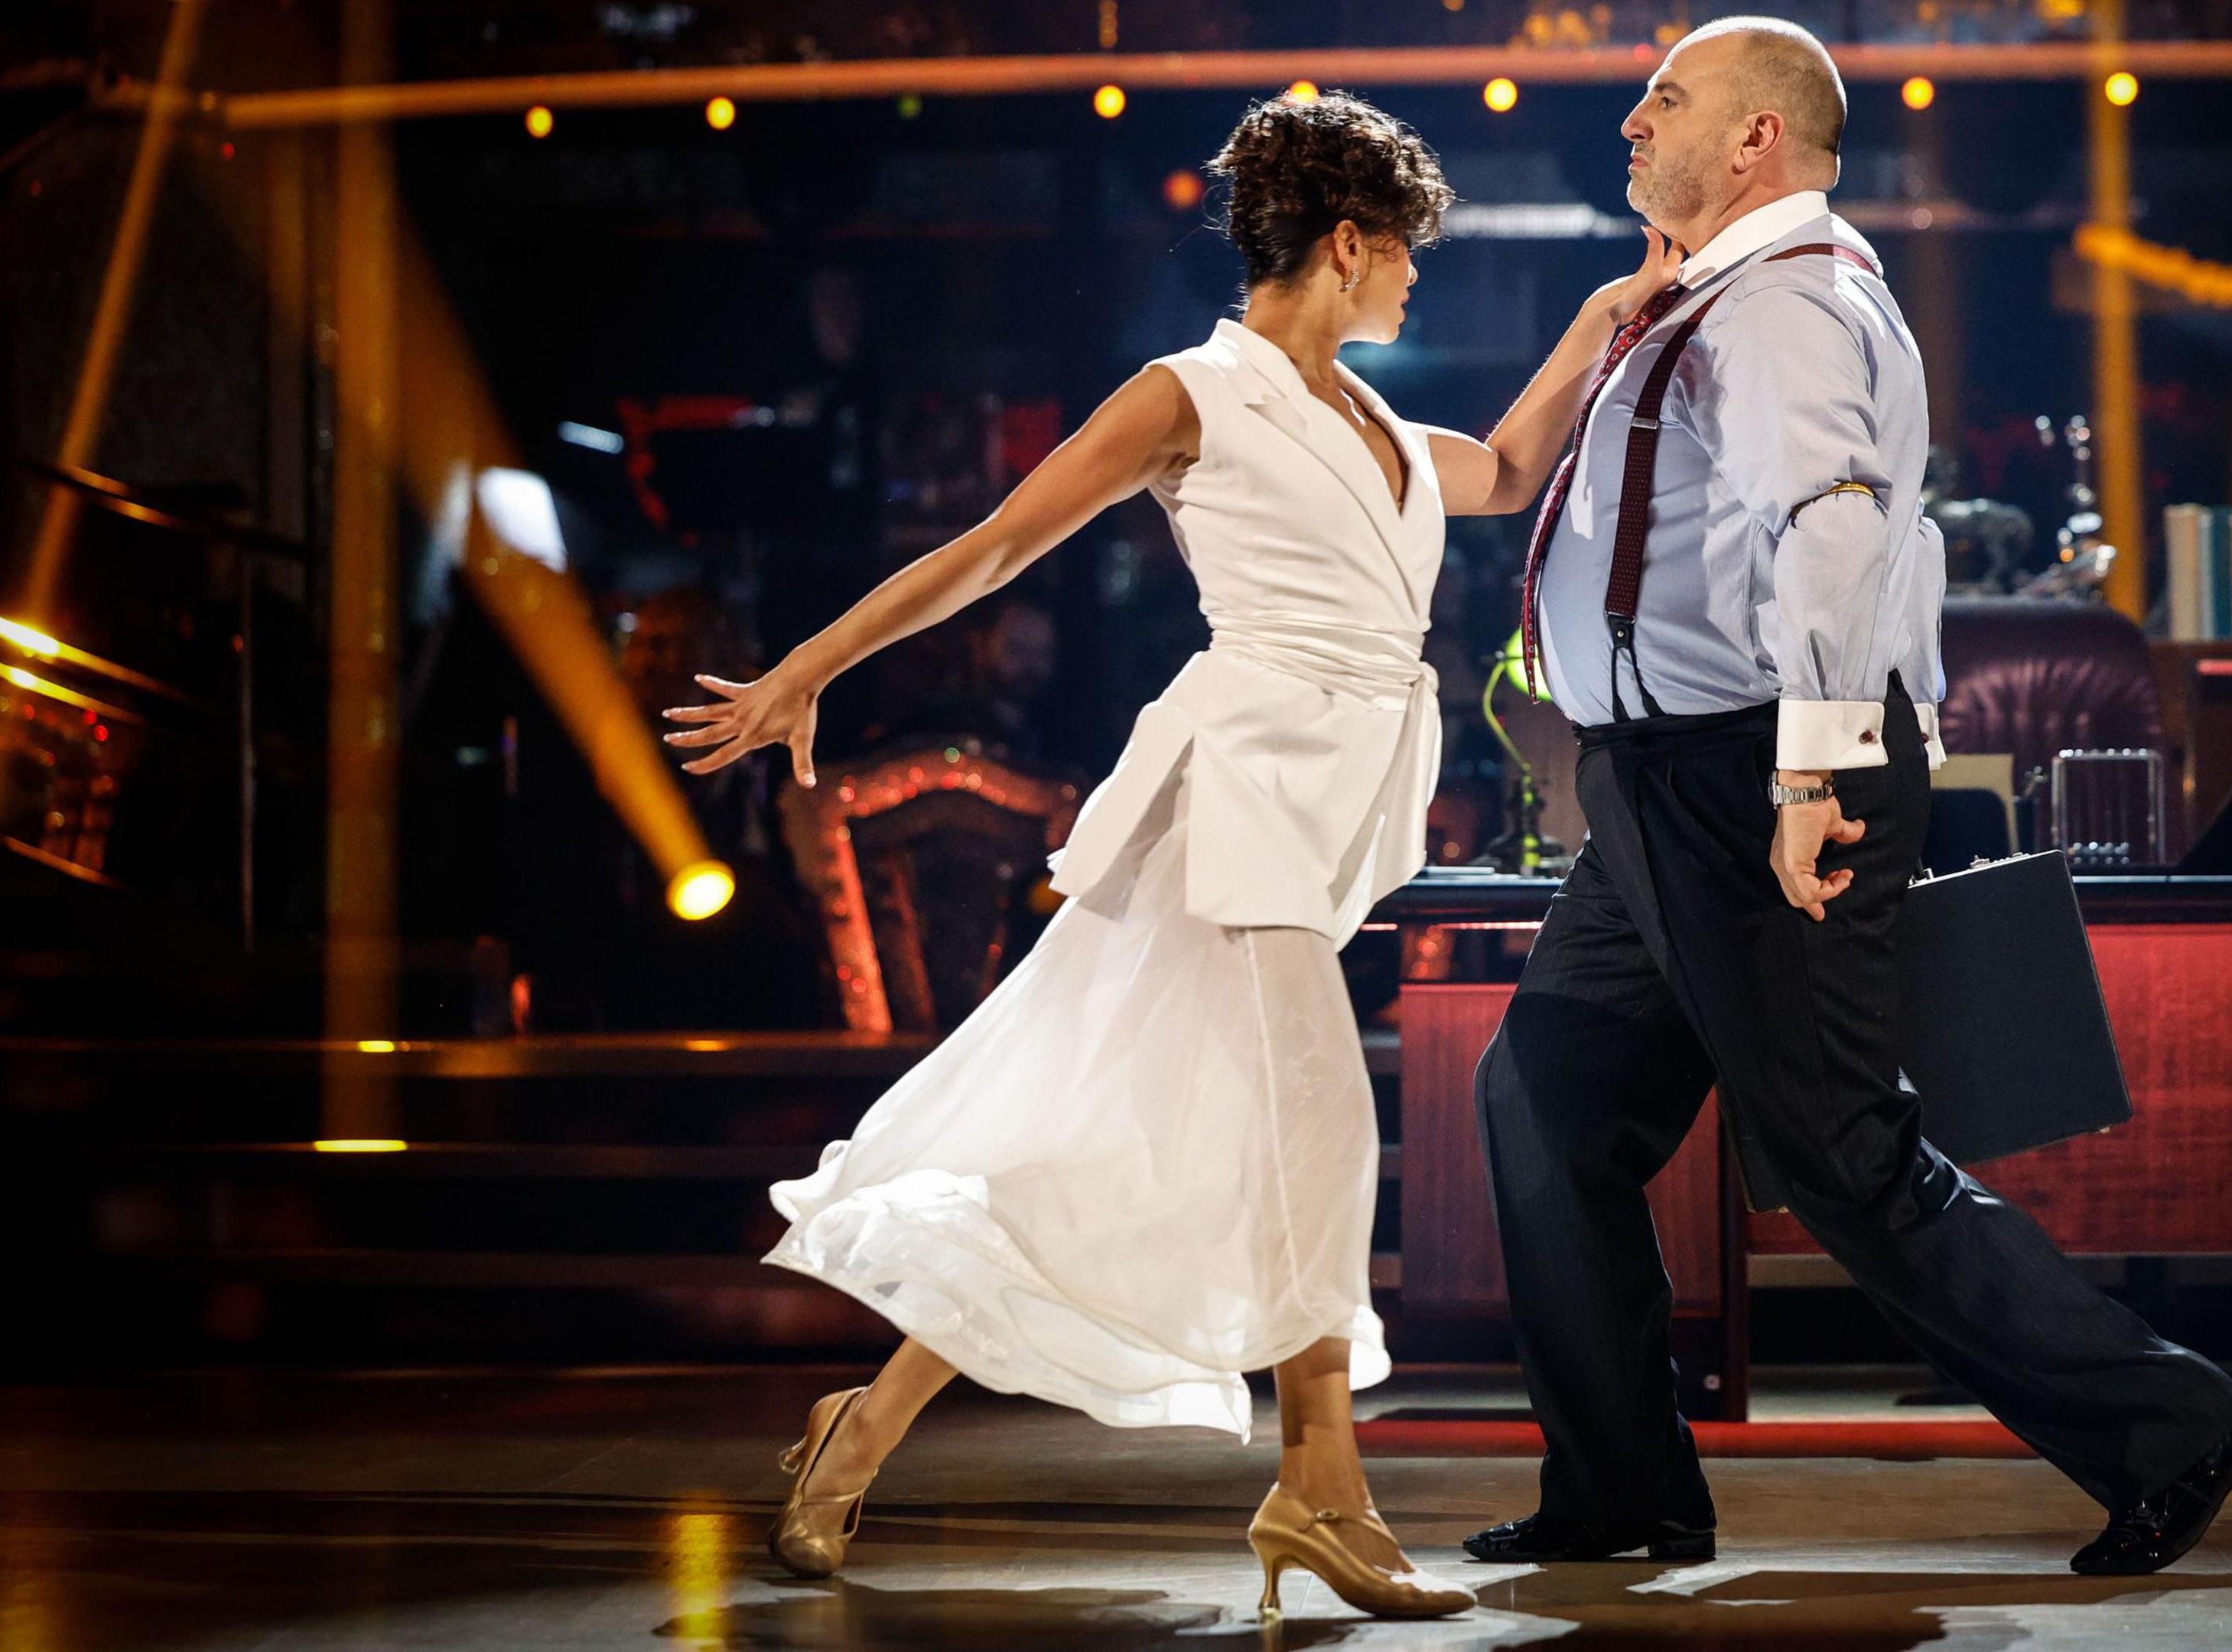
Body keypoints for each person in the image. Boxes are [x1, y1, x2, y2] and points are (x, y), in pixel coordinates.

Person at [661, 92, 1684, 1618]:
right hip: (1235, 799)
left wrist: (1612, 312)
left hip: (1320, 808)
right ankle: (1320, 1488)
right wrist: (810, 664)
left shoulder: (1379, 423)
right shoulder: (1192, 392)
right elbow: (995, 545)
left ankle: (856, 1430)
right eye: (1405, 256)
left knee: (1102, 1155)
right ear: (1348, 245)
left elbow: (1515, 471)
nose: (1416, 283)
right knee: (1325, 1122)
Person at [1460, 18, 2232, 1579]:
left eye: (1668, 98)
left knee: (1839, 1154)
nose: (1634, 121)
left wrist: (1810, 773)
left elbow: (1827, 536)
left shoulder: (1785, 307)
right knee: (1547, 1100)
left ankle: (2172, 1429)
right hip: (1662, 782)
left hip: (1759, 764)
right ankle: (1621, 1487)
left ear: (1757, 137)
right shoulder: (1693, 302)